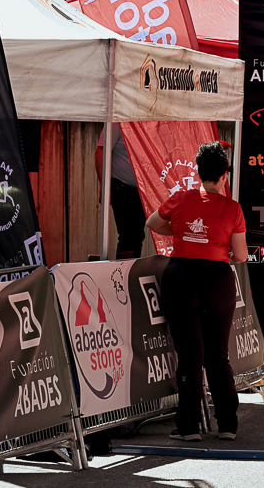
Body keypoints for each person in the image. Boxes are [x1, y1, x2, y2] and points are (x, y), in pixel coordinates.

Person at [146, 142, 246, 441]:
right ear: (225, 175)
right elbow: (240, 255)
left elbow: (152, 223)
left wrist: (182, 233)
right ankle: (227, 424)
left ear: (199, 173)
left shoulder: (180, 198)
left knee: (189, 355)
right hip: (217, 279)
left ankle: (189, 427)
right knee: (218, 355)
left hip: (181, 276)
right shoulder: (233, 208)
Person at [95, 126, 146, 258]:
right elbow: (100, 152)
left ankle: (131, 267)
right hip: (122, 186)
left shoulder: (148, 122)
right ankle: (124, 269)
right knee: (129, 235)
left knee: (137, 235)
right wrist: (104, 187)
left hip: (143, 190)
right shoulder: (117, 123)